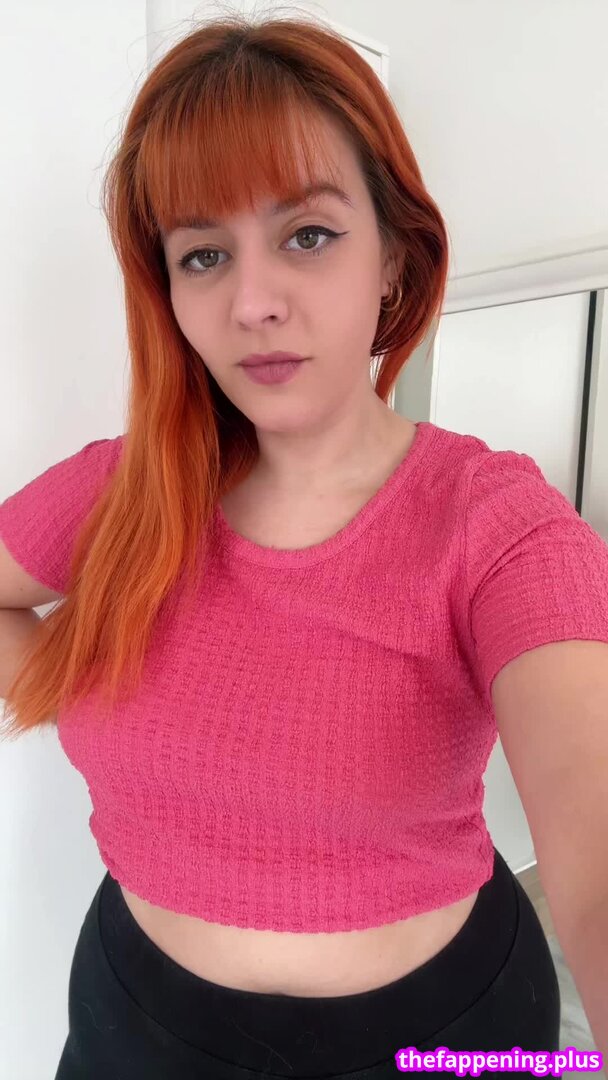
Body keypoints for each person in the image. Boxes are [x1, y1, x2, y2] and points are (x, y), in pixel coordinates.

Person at [14, 7, 608, 1078]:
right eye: (203, 255)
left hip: (440, 1039)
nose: (252, 302)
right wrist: (88, 683)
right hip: (136, 1023)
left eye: (308, 235)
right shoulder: (119, 490)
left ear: (393, 260)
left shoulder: (496, 524)